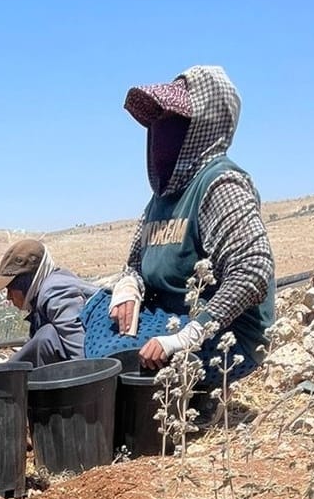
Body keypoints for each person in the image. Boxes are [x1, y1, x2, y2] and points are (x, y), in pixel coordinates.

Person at [108, 65, 274, 400]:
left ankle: (190, 405)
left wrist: (189, 334)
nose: (159, 131)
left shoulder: (219, 184)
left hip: (224, 331)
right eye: (156, 122)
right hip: (169, 316)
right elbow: (136, 265)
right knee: (99, 313)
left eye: (170, 120)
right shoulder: (162, 197)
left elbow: (254, 268)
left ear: (201, 125)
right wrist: (129, 287)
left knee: (118, 361)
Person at [0, 239, 100, 366]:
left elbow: (81, 354)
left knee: (46, 337)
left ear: (25, 282)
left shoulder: (54, 293)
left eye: (11, 289)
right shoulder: (47, 291)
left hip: (103, 367)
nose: (8, 297)